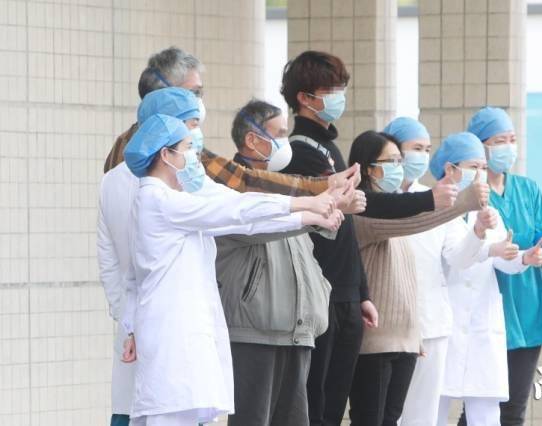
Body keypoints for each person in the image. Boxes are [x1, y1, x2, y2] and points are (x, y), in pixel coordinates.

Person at [279, 50, 488, 426]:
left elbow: (348, 231)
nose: (339, 97)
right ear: (304, 98)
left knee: (337, 408)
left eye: (341, 88)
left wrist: (361, 292)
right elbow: (370, 214)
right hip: (324, 295)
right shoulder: (301, 151)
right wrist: (436, 200)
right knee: (321, 407)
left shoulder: (328, 150)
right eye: (330, 90)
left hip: (349, 298)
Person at [119, 113, 342, 426]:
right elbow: (235, 210)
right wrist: (304, 204)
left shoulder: (176, 198)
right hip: (171, 334)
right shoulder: (158, 200)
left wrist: (308, 217)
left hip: (184, 333)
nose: (194, 156)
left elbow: (243, 216)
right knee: (167, 416)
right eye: (187, 148)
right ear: (165, 154)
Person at [217, 99, 364, 426]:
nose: (287, 142)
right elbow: (254, 227)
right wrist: (313, 213)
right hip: (254, 330)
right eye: (281, 134)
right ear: (252, 139)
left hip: (295, 329)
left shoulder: (285, 185)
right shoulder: (232, 184)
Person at [458, 107, 542, 426]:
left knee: (514, 408)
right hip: (486, 308)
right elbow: (473, 245)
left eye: (512, 139)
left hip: (528, 309)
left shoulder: (528, 189)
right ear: (480, 147)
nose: (508, 147)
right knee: (480, 406)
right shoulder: (470, 196)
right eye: (499, 141)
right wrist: (536, 239)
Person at [346, 131, 489, 426]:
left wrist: (413, 332)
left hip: (405, 339)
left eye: (400, 161)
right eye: (391, 161)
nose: (398, 168)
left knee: (391, 418)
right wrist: (462, 203)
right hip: (376, 339)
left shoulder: (393, 207)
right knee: (370, 419)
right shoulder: (360, 211)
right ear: (369, 168)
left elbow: (407, 279)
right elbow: (412, 221)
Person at [104, 46, 360, 197]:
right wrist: (320, 190)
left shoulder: (153, 146)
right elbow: (243, 184)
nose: (199, 102)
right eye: (193, 93)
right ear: (164, 94)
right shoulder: (162, 154)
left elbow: (241, 181)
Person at [97, 86, 205, 426]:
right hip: (174, 335)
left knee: (129, 411)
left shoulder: (111, 180)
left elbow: (109, 264)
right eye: (190, 125)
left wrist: (127, 323)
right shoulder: (178, 183)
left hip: (134, 330)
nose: (195, 135)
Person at [427, 132, 542, 426]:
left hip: (481, 323)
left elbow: (501, 256)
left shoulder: (487, 210)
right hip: (445, 322)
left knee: (486, 413)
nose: (481, 174)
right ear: (450, 169)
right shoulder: (434, 209)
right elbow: (457, 257)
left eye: (483, 167)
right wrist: (483, 239)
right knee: (431, 411)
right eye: (473, 167)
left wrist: (523, 258)